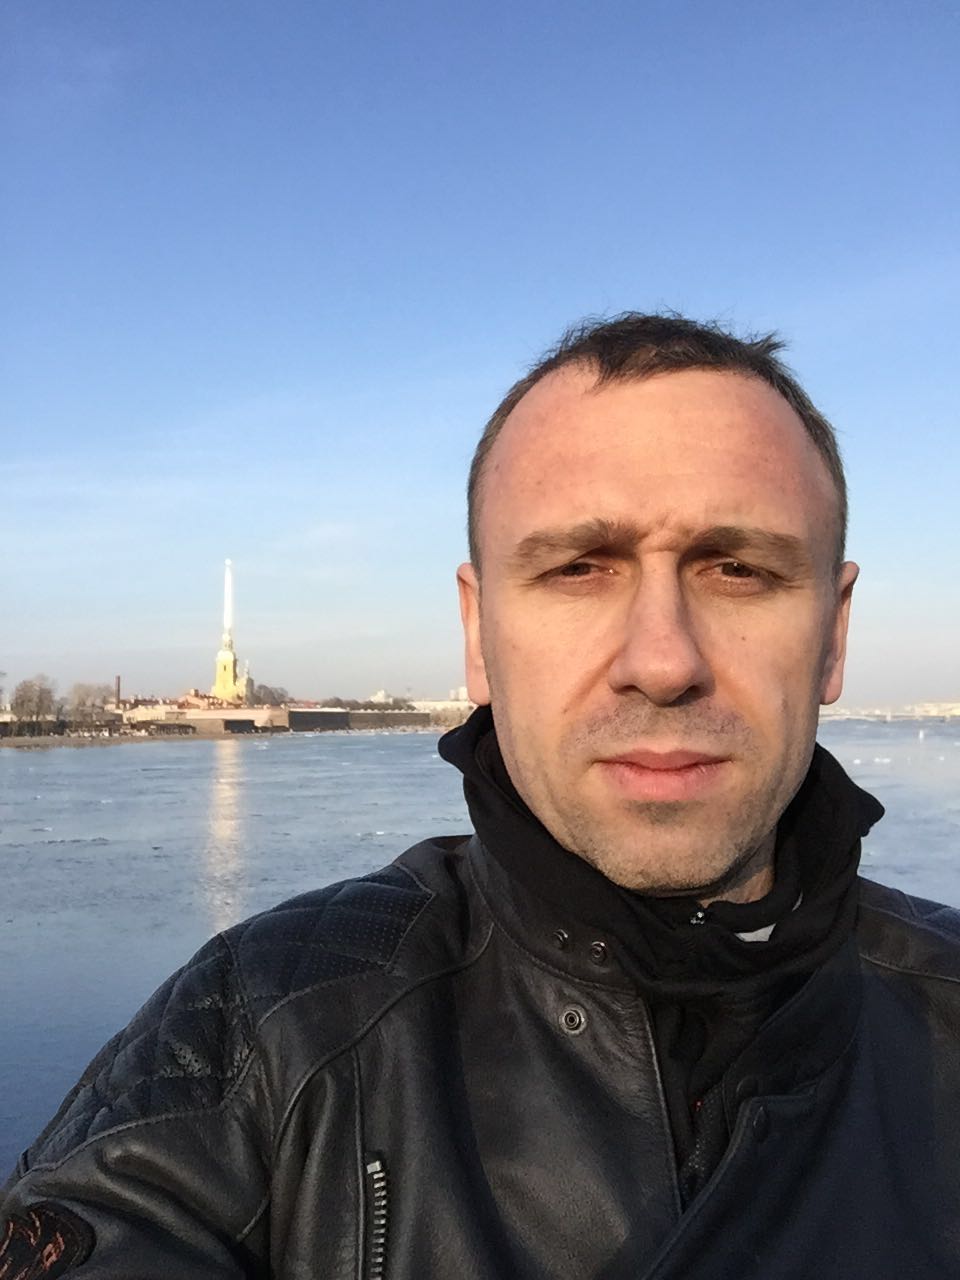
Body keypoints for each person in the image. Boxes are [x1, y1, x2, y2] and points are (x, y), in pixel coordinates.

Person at [3, 312, 960, 1280]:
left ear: (834, 634)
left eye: (739, 569)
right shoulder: (260, 1032)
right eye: (579, 569)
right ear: (477, 633)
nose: (664, 661)